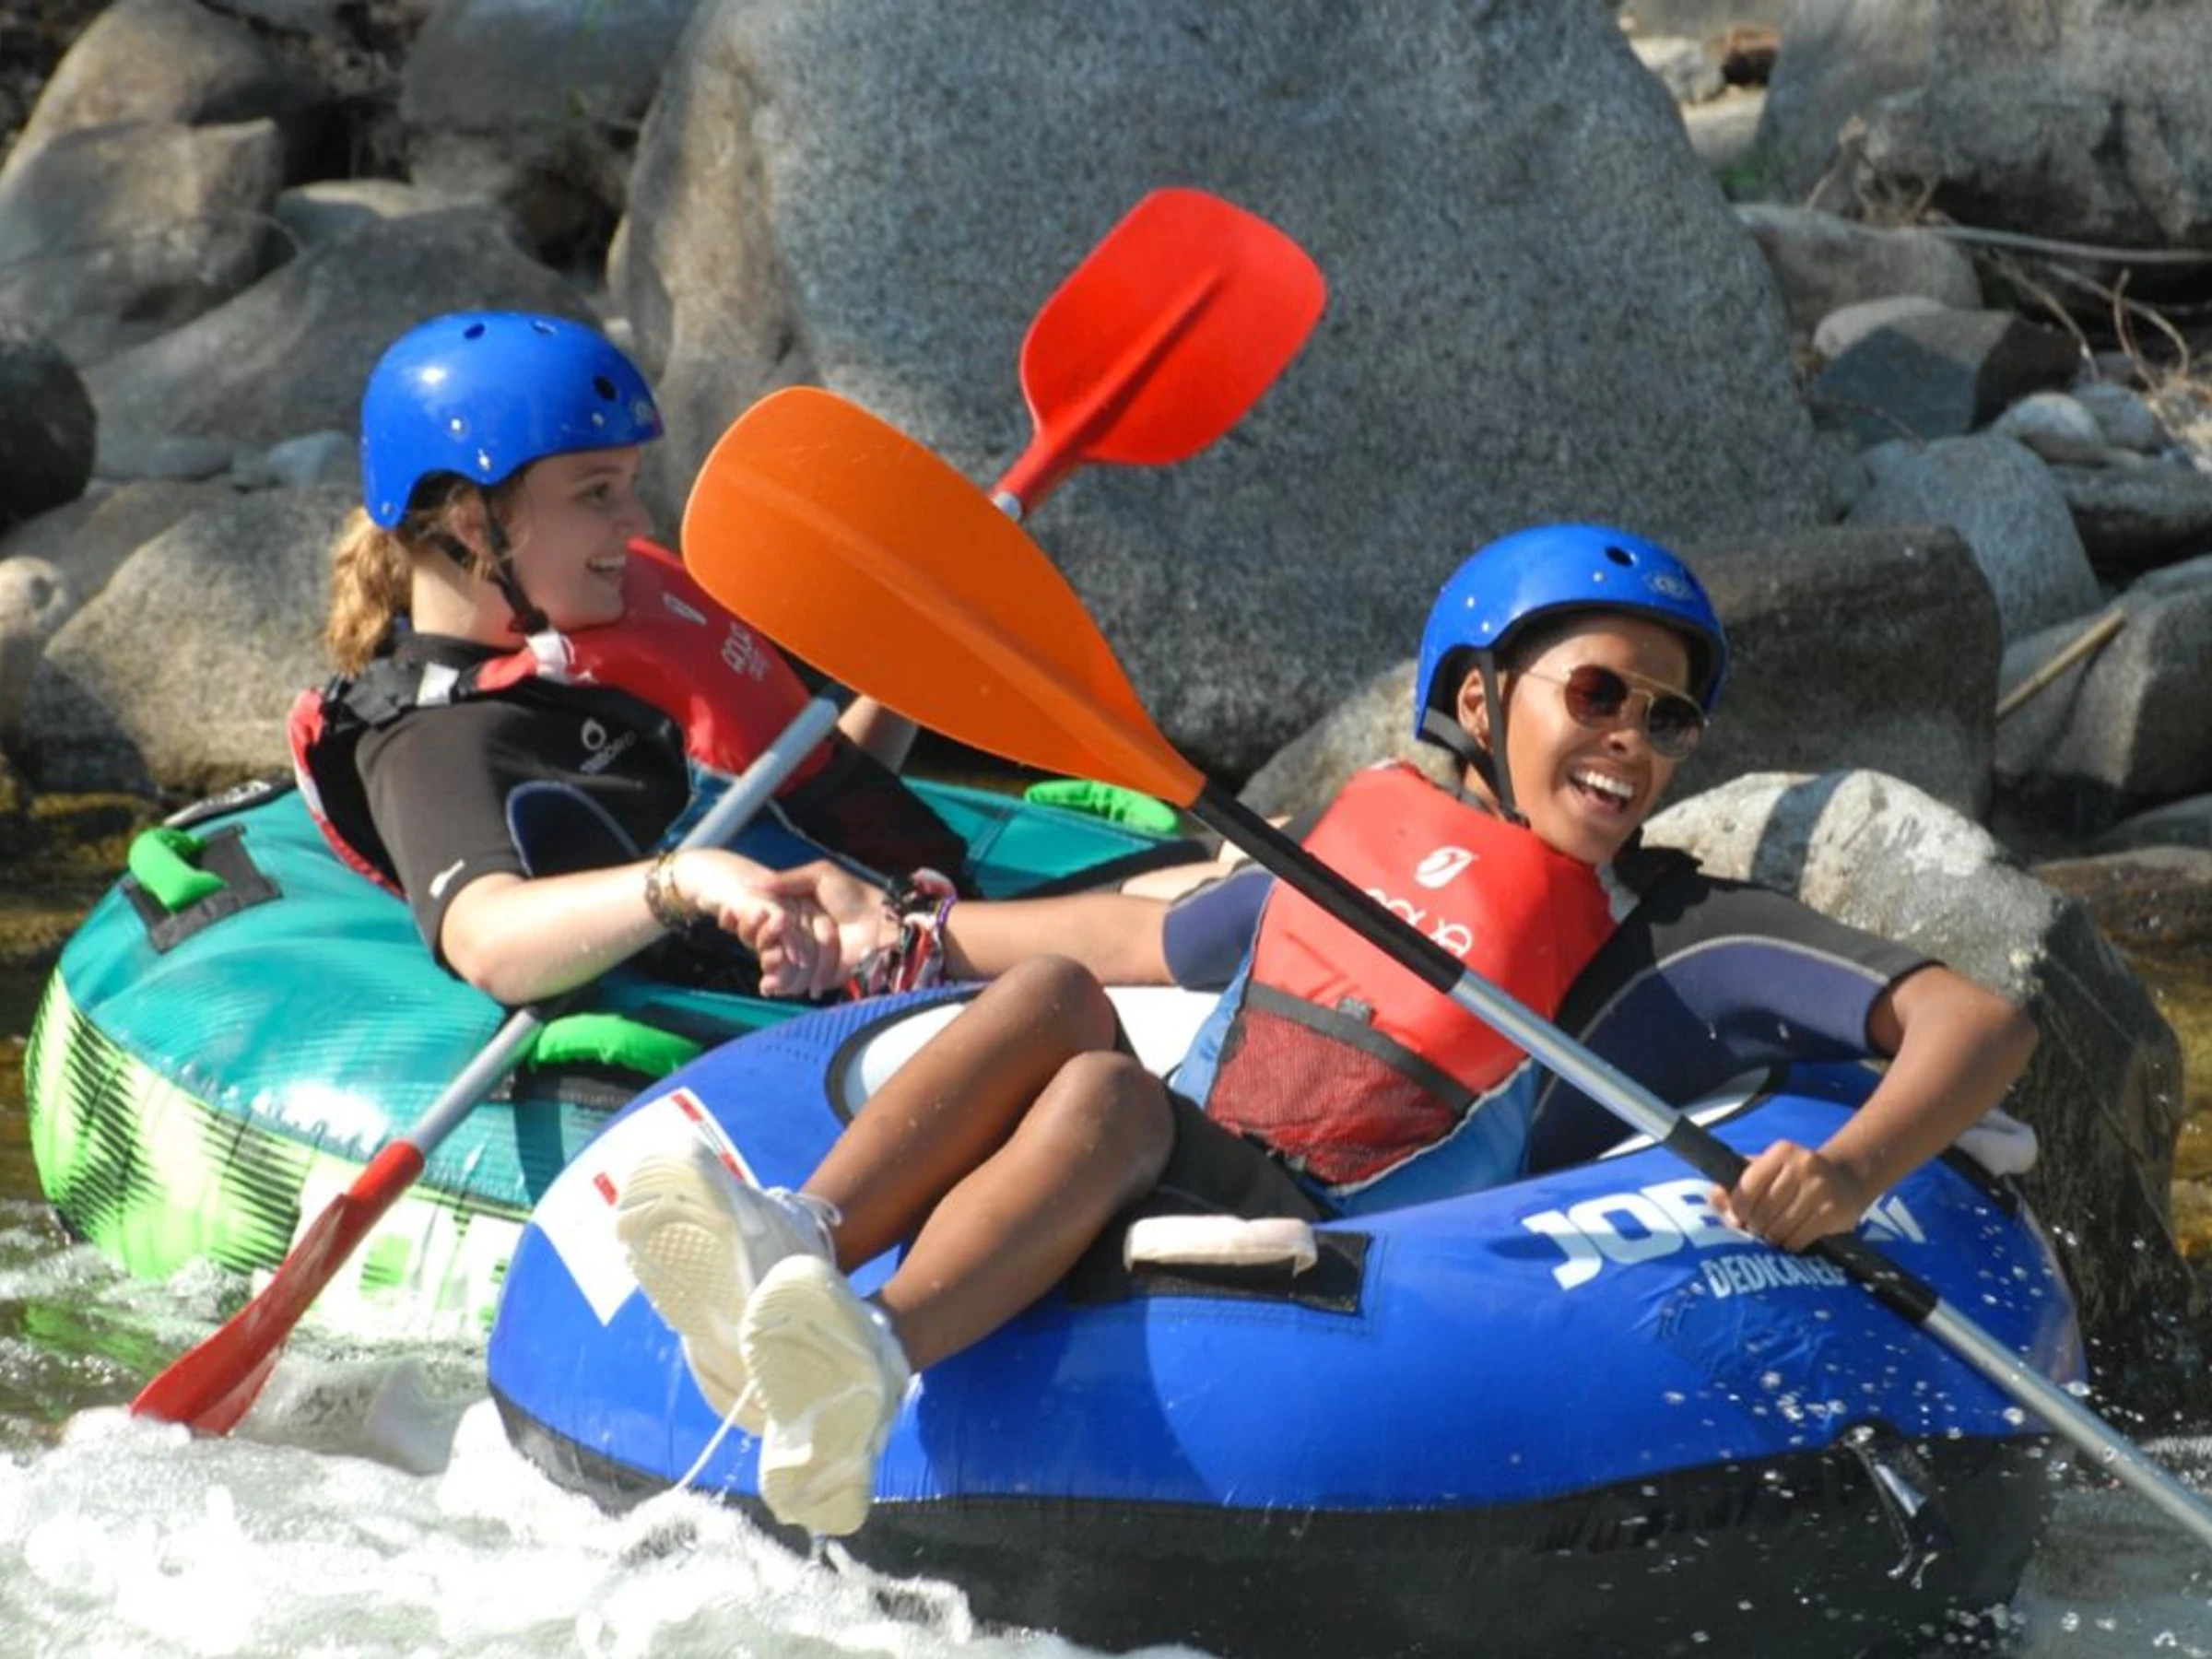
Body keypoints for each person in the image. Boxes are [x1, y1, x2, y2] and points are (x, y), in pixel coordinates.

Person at [614, 522, 2039, 1538]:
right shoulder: (1350, 852)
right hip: (1175, 1159)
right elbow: (1134, 941)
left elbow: (1976, 1025)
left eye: (1668, 723)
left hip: (1337, 1253)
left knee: (1107, 1097)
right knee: (1048, 1000)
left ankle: (869, 1363)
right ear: (1479, 699)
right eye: (1600, 694)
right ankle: (797, 1238)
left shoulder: (1682, 929)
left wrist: (1848, 1170)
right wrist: (908, 933)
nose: (1634, 741)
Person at [297, 311, 970, 1006]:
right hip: (858, 976)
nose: (640, 522)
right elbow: (486, 941)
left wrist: (905, 671)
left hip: (901, 920)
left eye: (629, 484)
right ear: (474, 524)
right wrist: (682, 880)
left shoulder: (586, 642)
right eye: (597, 492)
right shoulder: (431, 739)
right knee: (1060, 956)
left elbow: (798, 806)